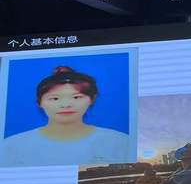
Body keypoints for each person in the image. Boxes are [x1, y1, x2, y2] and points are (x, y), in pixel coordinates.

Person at [1, 66, 130, 166]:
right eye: (55, 98)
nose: (66, 105)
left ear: (92, 99)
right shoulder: (12, 146)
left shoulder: (119, 142)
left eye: (76, 97)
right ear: (39, 102)